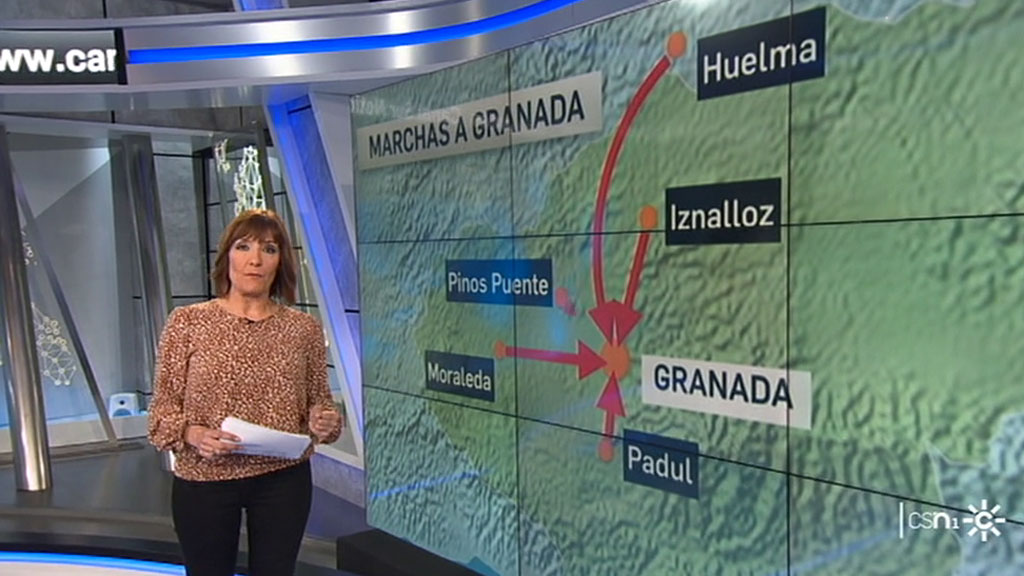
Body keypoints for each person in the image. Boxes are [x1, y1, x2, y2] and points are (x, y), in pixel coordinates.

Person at [147, 208, 343, 576]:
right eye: (243, 247)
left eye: (269, 249)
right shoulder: (188, 322)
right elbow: (161, 413)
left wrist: (325, 420)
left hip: (283, 479)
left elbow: (321, 405)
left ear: (280, 262)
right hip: (205, 477)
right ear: (227, 257)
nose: (255, 260)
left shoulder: (303, 329)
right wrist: (193, 434)